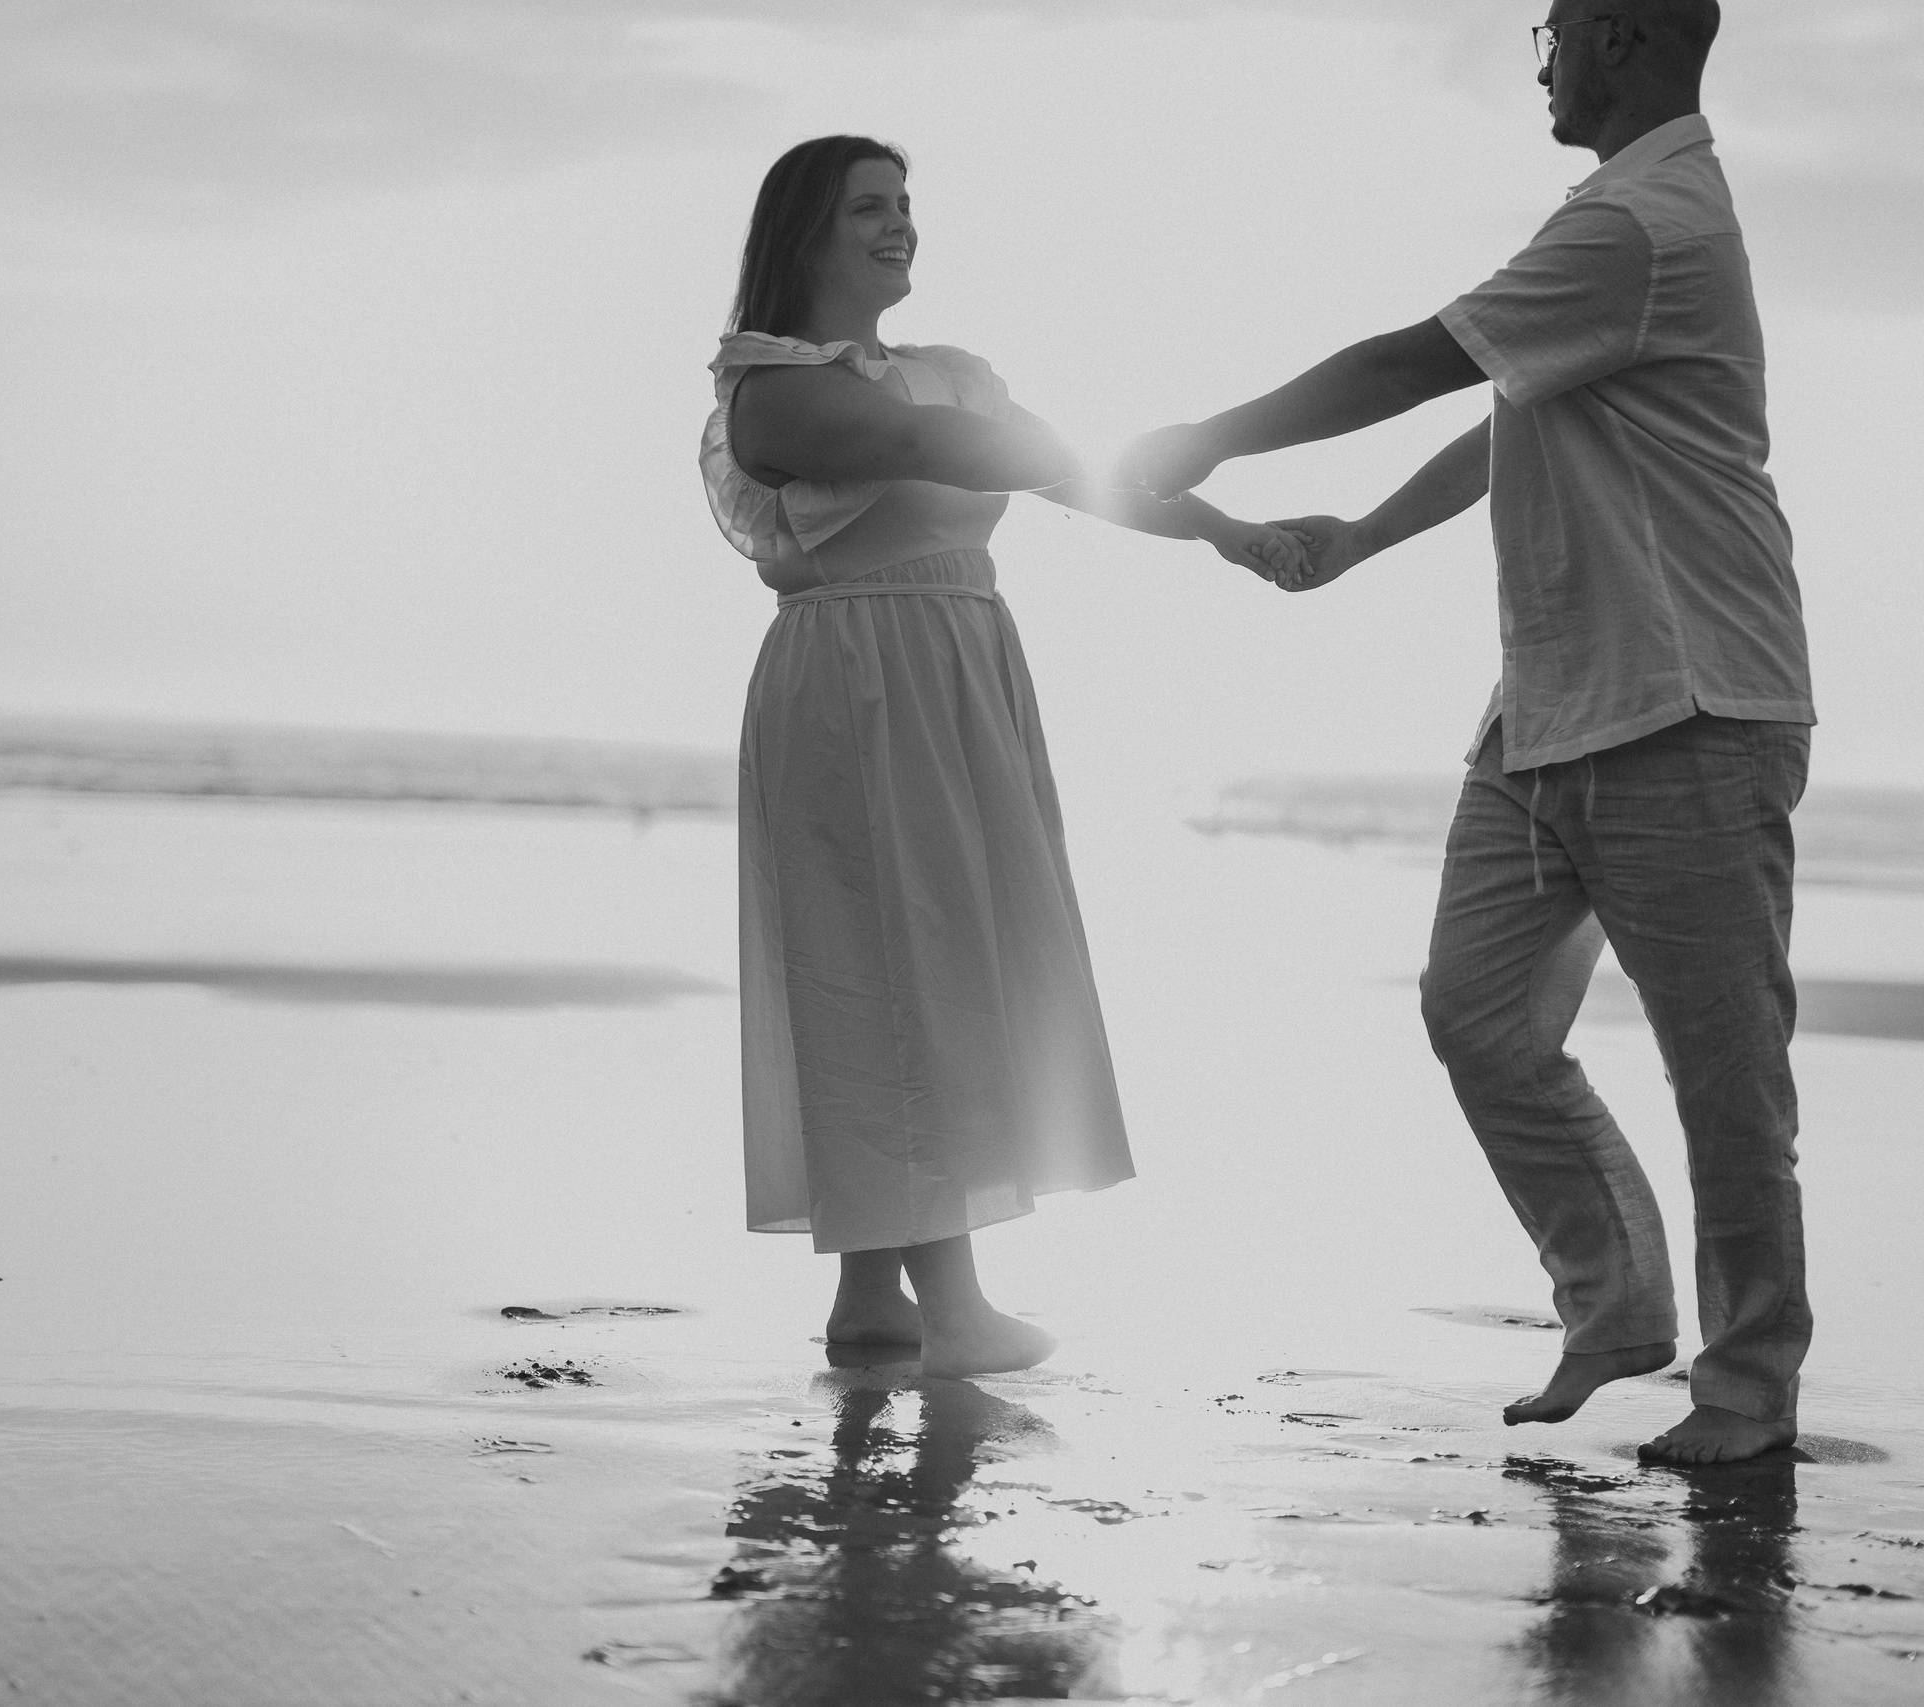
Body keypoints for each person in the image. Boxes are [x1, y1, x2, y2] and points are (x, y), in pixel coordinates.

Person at [1119, 0, 1816, 1464]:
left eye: (1555, 26)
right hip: (1551, 705)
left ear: (1625, 36)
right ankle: (1617, 1300)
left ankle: (1750, 1383)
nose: (1541, 53)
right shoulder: (1611, 219)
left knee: (1725, 1069)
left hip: (1691, 700)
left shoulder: (1647, 223)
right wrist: (1361, 540)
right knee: (1480, 1012)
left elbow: (1411, 361)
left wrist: (1210, 435)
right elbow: (1514, 405)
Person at [703, 135, 1303, 1379]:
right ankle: (957, 1304)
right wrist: (1121, 454)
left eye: (907, 205)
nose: (900, 224)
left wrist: (1224, 532)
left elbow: (1070, 476)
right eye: (870, 206)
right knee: (886, 965)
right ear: (803, 232)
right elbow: (931, 453)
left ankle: (874, 1298)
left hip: (961, 663)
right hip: (858, 678)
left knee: (946, 956)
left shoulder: (951, 371)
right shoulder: (771, 386)